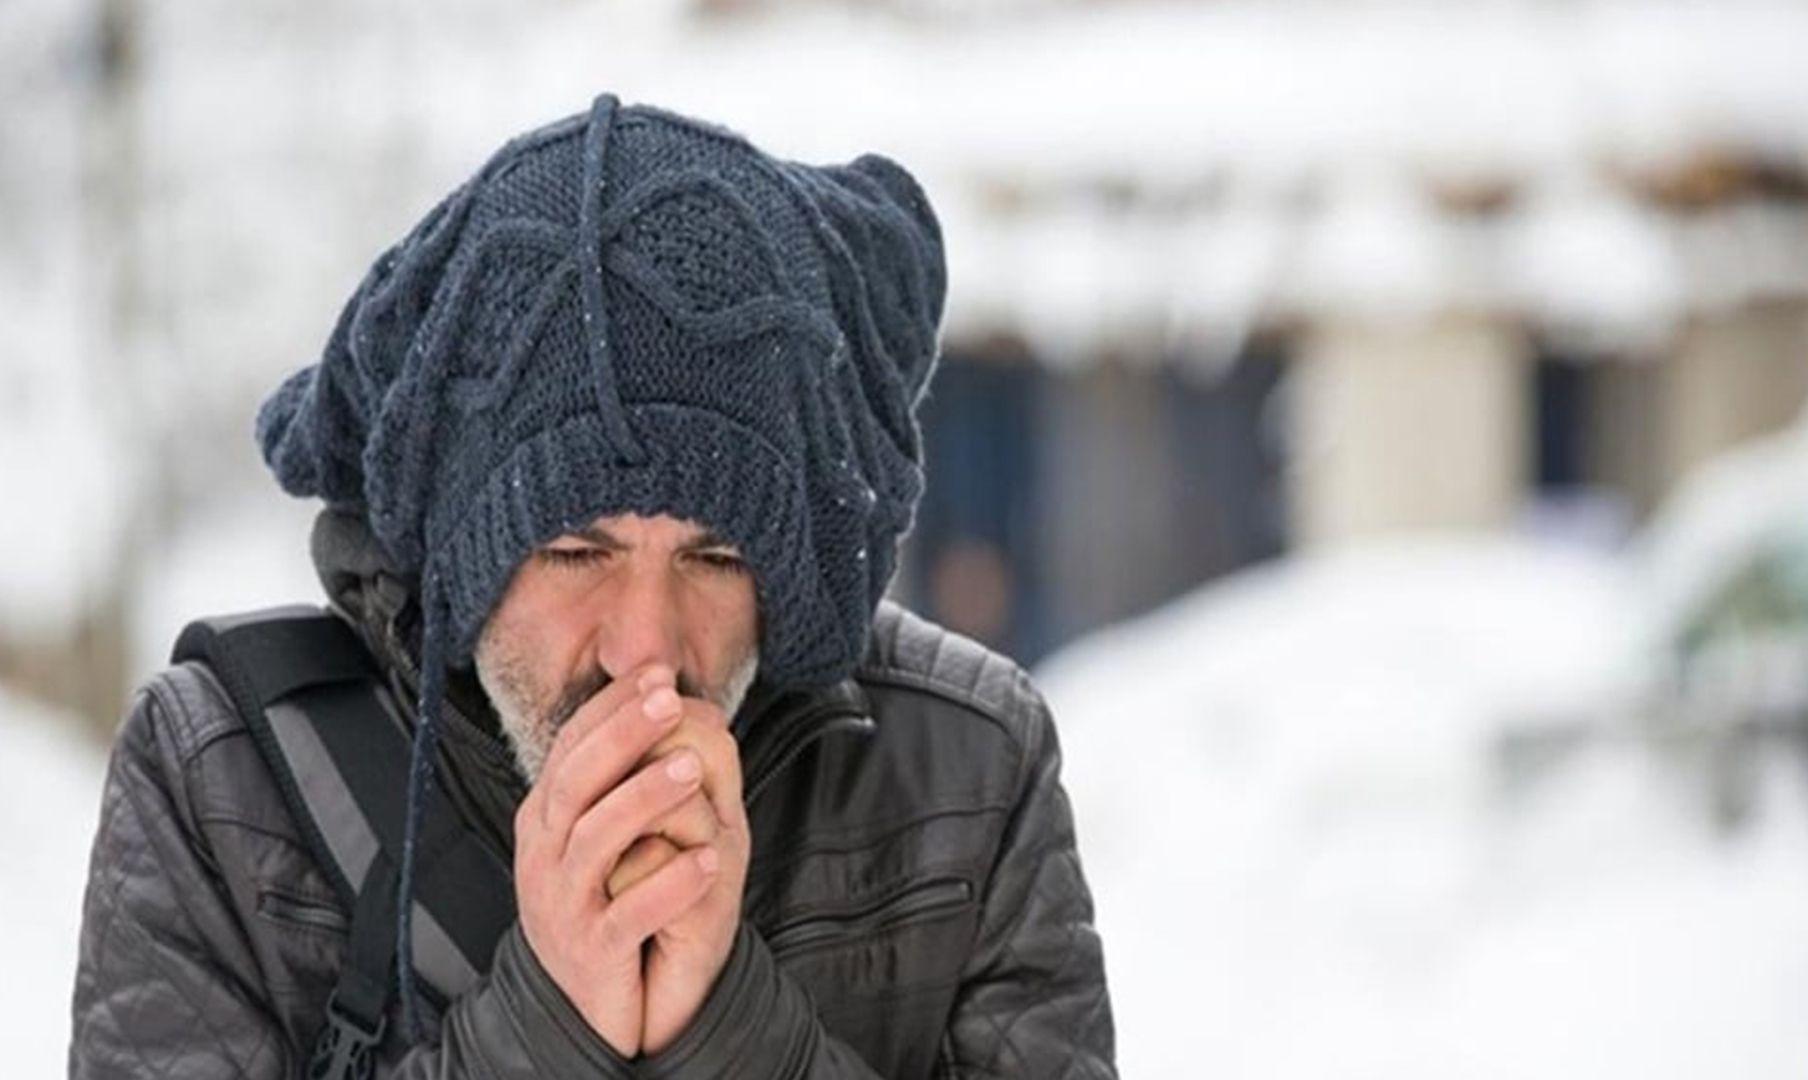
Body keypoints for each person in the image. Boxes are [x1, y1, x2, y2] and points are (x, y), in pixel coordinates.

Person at [69, 92, 1115, 1078]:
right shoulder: (223, 780)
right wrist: (542, 1027)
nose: (645, 650)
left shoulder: (969, 772)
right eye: (575, 552)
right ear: (465, 549)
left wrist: (733, 1032)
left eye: (716, 558)